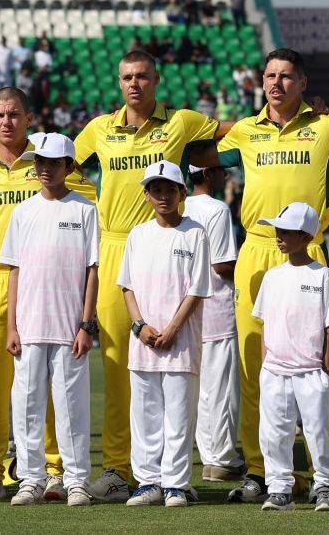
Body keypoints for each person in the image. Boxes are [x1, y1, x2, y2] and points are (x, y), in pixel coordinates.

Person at [217, 49, 329, 502]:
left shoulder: (327, 126)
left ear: (303, 84)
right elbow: (198, 150)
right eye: (270, 75)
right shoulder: (244, 131)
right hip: (257, 251)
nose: (277, 83)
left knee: (317, 371)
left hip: (309, 251)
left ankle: (320, 474)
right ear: (260, 81)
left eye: (287, 76)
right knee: (254, 368)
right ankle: (261, 472)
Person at [71, 50, 221, 499]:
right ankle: (120, 469)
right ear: (119, 83)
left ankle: (171, 476)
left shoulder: (180, 122)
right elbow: (60, 166)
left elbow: (236, 135)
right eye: (126, 78)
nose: (134, 84)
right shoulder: (99, 128)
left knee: (172, 367)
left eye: (141, 77)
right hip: (117, 245)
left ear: (156, 79)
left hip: (169, 247)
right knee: (120, 366)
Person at [0, 91, 96, 501]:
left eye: (15, 114)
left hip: (45, 282)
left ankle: (55, 469)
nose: (7, 122)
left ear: (29, 117)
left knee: (52, 385)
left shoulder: (49, 165)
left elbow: (85, 204)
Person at [0, 132, 100, 506]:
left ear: (69, 167)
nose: (43, 169)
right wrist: (12, 325)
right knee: (26, 405)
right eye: (39, 162)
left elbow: (93, 270)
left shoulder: (84, 209)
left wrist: (86, 324)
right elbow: (14, 271)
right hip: (28, 326)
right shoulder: (23, 211)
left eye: (52, 163)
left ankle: (76, 480)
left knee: (72, 405)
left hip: (69, 327)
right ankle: (30, 478)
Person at [118, 161, 210, 507]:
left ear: (182, 193)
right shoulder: (138, 234)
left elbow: (197, 289)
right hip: (143, 341)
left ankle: (175, 483)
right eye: (156, 190)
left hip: (180, 341)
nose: (163, 196)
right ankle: (147, 481)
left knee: (179, 415)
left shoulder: (195, 232)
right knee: (145, 415)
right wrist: (140, 326)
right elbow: (127, 287)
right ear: (146, 195)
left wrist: (172, 328)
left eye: (170, 189)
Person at [251, 201, 329, 512]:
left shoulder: (322, 276)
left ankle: (326, 486)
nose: (278, 236)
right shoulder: (272, 277)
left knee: (319, 431)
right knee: (274, 433)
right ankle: (279, 488)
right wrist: (266, 365)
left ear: (306, 237)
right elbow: (264, 324)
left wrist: (324, 371)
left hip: (310, 371)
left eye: (286, 231)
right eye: (277, 230)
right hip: (275, 370)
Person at [185, 164, 240, 483]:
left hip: (185, 309)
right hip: (215, 305)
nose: (225, 176)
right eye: (220, 170)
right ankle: (219, 457)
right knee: (218, 389)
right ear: (207, 174)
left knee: (196, 388)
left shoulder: (179, 206)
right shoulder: (217, 209)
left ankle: (208, 455)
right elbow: (222, 264)